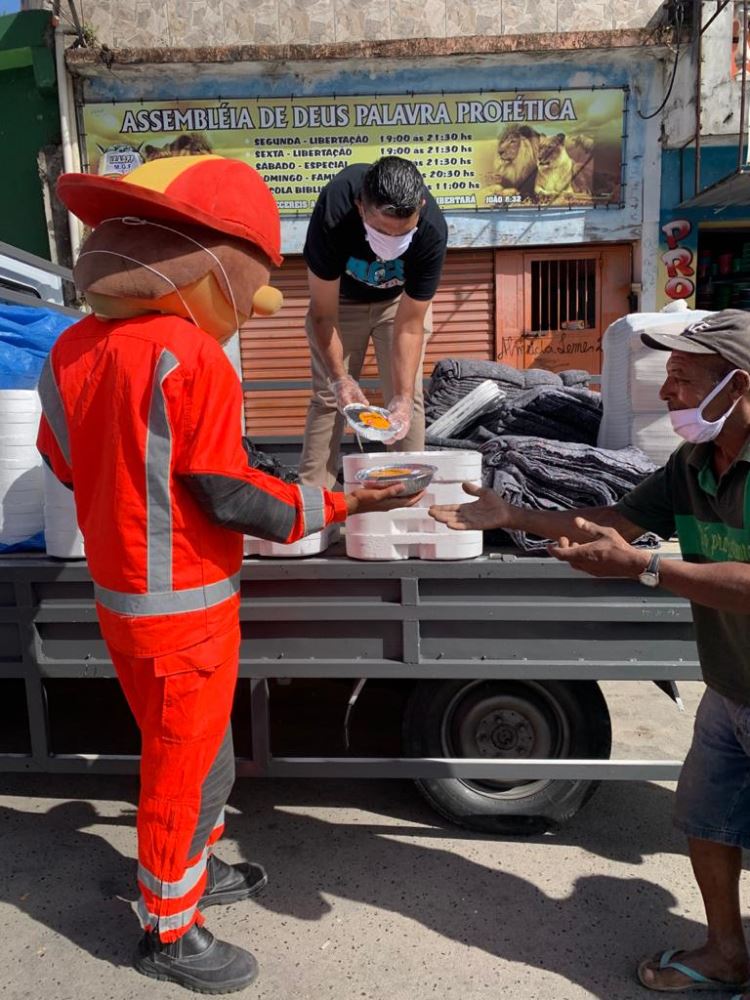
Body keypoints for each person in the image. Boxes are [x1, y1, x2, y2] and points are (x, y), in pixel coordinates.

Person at [37, 154, 421, 994]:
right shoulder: (190, 355)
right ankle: (169, 931)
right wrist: (326, 504)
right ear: (214, 265)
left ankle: (190, 877)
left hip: (121, 599)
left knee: (195, 755)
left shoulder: (68, 352)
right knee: (184, 767)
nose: (258, 303)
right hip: (188, 611)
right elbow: (226, 494)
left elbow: (64, 467)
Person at [429, 308, 750, 996]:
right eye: (666, 375)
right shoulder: (693, 464)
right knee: (708, 818)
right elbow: (613, 521)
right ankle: (727, 952)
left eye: (683, 379)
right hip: (731, 689)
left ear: (739, 386)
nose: (666, 393)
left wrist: (647, 568)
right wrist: (514, 515)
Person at [299, 156, 448, 488]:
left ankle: (407, 493)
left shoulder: (433, 230)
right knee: (329, 396)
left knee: (405, 401)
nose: (391, 243)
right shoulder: (335, 210)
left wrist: (404, 396)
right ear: (360, 208)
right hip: (340, 302)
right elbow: (322, 313)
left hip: (397, 306)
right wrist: (340, 379)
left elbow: (410, 325)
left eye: (402, 232)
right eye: (381, 230)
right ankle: (312, 503)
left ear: (420, 207)